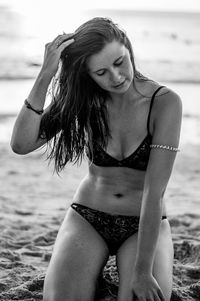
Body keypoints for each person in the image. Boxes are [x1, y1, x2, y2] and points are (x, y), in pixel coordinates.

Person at [11, 17, 182, 301]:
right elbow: (22, 144)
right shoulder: (86, 99)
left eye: (119, 62)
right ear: (88, 75)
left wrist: (142, 271)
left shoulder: (165, 103)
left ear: (128, 48)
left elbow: (155, 192)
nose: (115, 78)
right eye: (101, 72)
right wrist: (45, 75)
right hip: (88, 217)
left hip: (142, 221)